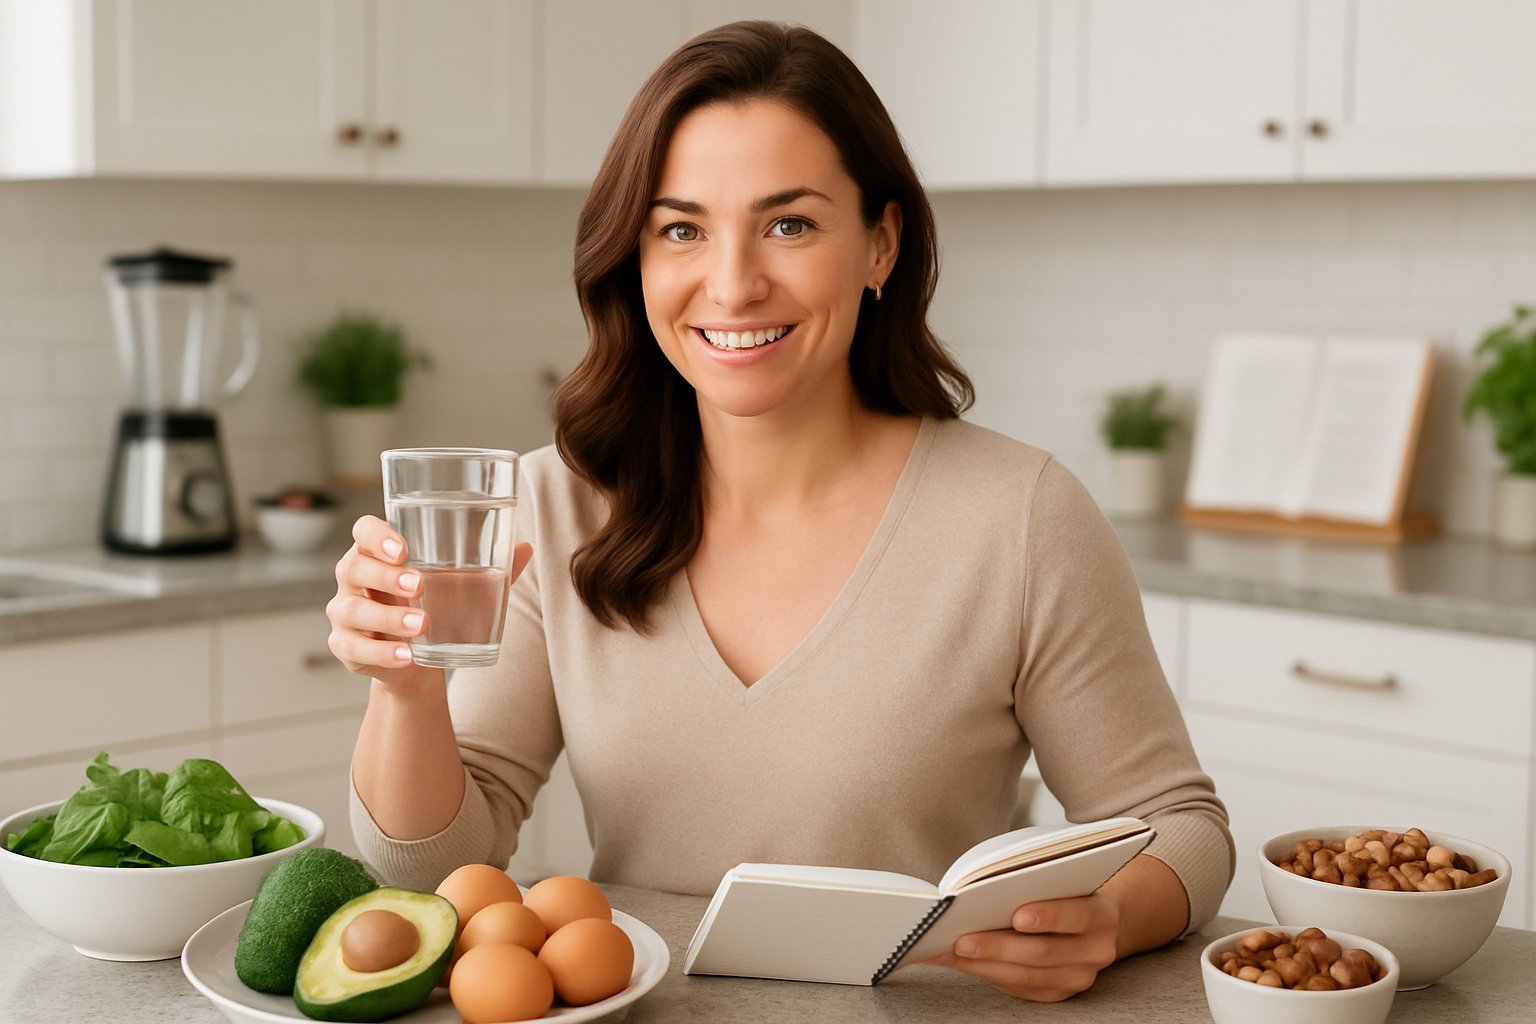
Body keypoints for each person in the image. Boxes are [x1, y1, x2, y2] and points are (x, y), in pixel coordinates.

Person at [327, 21, 1233, 1003]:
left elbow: (1178, 821)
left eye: (789, 224)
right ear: (634, 257)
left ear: (880, 244)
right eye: (682, 228)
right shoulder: (556, 503)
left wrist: (1111, 916)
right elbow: (423, 883)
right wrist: (404, 694)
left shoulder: (1020, 516)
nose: (732, 282)